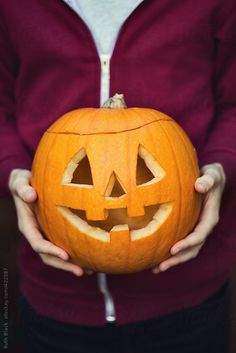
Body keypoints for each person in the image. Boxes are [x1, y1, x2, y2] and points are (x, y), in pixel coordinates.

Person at [0, 0, 235, 352]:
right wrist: (14, 173)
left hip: (189, 299)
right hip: (56, 299)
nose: (114, 196)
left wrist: (220, 167)